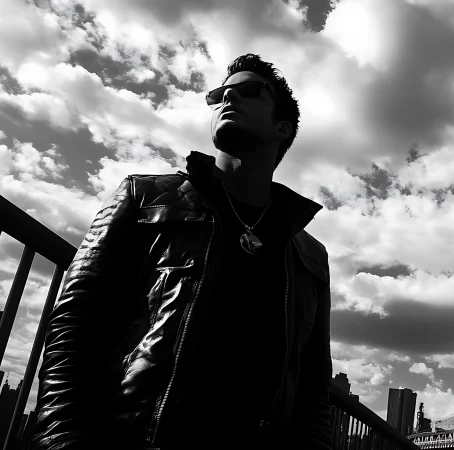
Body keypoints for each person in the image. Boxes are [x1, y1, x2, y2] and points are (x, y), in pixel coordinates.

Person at [31, 54, 333, 449]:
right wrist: (61, 438)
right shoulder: (145, 198)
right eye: (220, 94)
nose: (228, 98)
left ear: (283, 127)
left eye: (248, 92)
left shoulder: (309, 255)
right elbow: (73, 322)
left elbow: (314, 380)